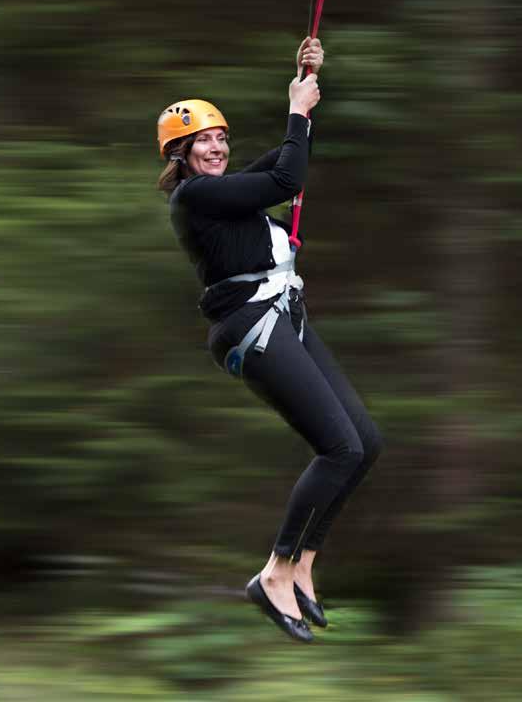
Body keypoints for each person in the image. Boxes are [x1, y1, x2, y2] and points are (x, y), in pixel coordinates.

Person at [156, 38, 383, 643]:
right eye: (202, 141)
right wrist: (297, 111)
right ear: (179, 155)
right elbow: (287, 172)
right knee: (337, 447)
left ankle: (303, 566)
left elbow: (285, 161)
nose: (216, 148)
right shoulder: (195, 197)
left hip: (285, 315)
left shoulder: (230, 194)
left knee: (365, 442)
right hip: (251, 327)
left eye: (219, 139)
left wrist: (304, 84)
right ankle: (274, 572)